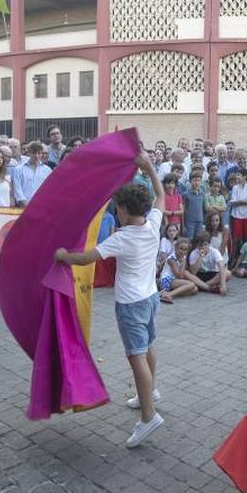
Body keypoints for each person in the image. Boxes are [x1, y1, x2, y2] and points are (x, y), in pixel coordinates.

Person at [55, 152, 165, 448]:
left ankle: (148, 416)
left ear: (126, 211)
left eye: (117, 206)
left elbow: (86, 257)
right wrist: (149, 168)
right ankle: (150, 392)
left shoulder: (122, 237)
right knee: (148, 346)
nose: (116, 210)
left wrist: (64, 257)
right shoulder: (153, 223)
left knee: (135, 355)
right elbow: (161, 194)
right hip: (151, 297)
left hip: (130, 303)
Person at [157, 237, 199, 304]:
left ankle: (166, 293)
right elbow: (180, 276)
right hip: (166, 280)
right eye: (181, 248)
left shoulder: (182, 257)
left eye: (185, 250)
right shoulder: (172, 259)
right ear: (176, 248)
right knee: (191, 284)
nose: (182, 251)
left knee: (195, 289)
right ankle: (168, 295)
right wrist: (184, 262)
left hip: (173, 280)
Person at [12, 141, 52, 206]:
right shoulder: (18, 170)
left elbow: (49, 190)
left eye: (39, 153)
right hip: (23, 207)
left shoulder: (48, 170)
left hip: (43, 206)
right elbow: (18, 191)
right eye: (33, 153)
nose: (36, 156)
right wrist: (26, 205)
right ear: (29, 153)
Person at [230, 168, 247, 263]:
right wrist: (245, 201)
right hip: (236, 216)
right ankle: (233, 259)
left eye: (238, 174)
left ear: (244, 176)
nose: (236, 177)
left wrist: (240, 201)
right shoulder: (235, 188)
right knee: (236, 239)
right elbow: (233, 203)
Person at [184, 168, 206, 240]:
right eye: (194, 180)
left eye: (199, 180)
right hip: (189, 221)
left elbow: (203, 208)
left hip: (200, 220)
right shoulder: (186, 194)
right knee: (189, 239)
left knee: (198, 239)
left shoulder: (202, 194)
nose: (196, 183)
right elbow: (183, 209)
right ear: (190, 181)